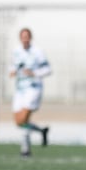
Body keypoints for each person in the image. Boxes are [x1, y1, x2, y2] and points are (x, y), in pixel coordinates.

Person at [9, 28, 52, 157]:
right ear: (20, 38)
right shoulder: (16, 51)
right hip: (20, 89)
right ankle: (41, 131)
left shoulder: (37, 52)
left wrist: (34, 73)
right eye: (23, 36)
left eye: (27, 36)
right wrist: (12, 71)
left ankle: (25, 149)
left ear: (30, 37)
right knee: (18, 122)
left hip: (33, 88)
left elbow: (48, 69)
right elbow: (12, 66)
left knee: (24, 118)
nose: (25, 39)